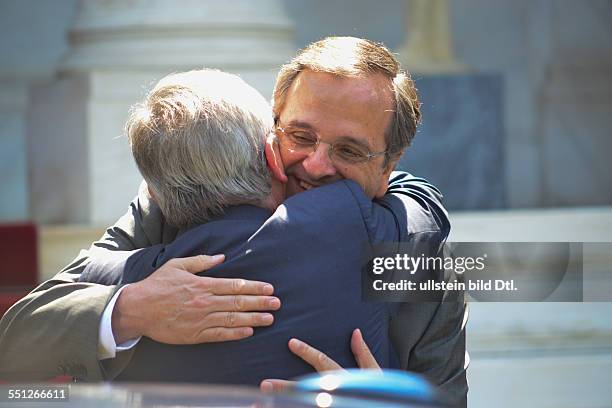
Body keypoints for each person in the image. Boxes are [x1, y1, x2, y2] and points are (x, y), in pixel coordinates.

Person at [0, 36, 467, 405]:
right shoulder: (167, 206)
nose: (316, 164)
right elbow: (21, 336)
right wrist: (132, 308)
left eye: (349, 150)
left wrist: (378, 405)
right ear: (270, 129)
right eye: (300, 135)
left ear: (388, 165)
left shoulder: (417, 254)